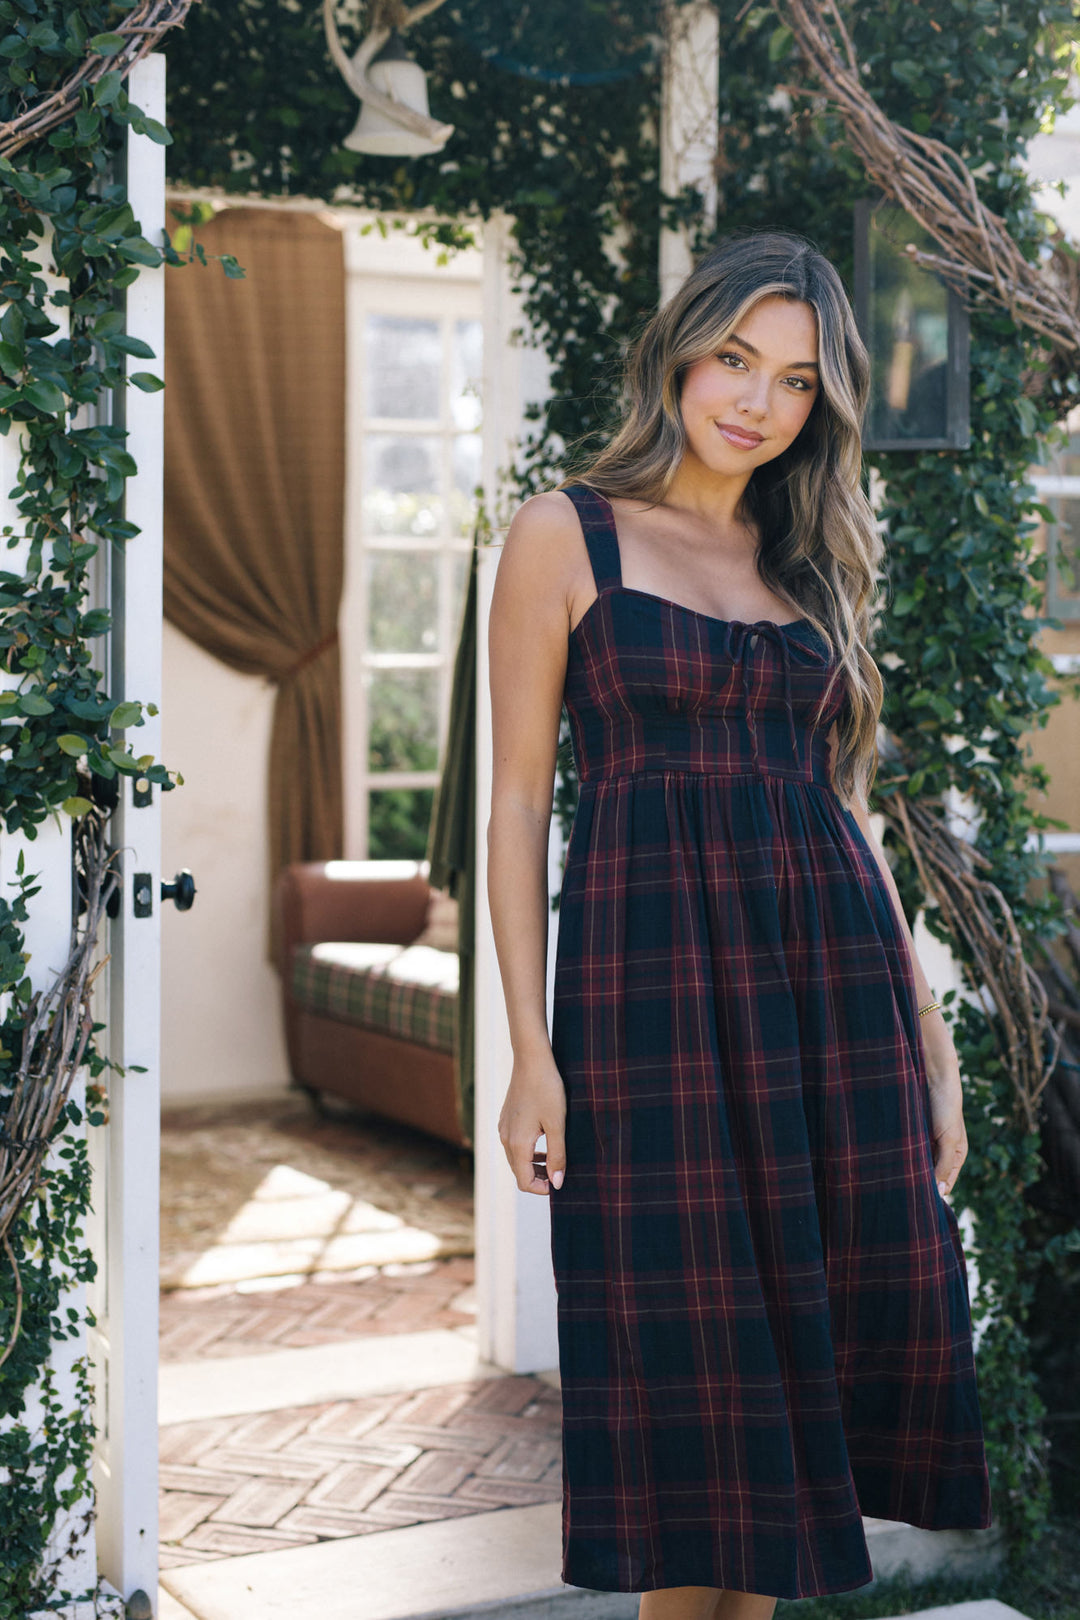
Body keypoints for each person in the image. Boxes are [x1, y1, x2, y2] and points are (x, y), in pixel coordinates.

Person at [485, 230, 992, 1618]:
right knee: (691, 1407)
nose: (755, 401)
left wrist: (933, 1046)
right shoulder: (563, 532)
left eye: (794, 380)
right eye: (733, 359)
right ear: (681, 353)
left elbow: (850, 814)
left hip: (835, 1004)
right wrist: (531, 1053)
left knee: (791, 1415)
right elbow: (518, 805)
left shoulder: (806, 556)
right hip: (652, 1009)